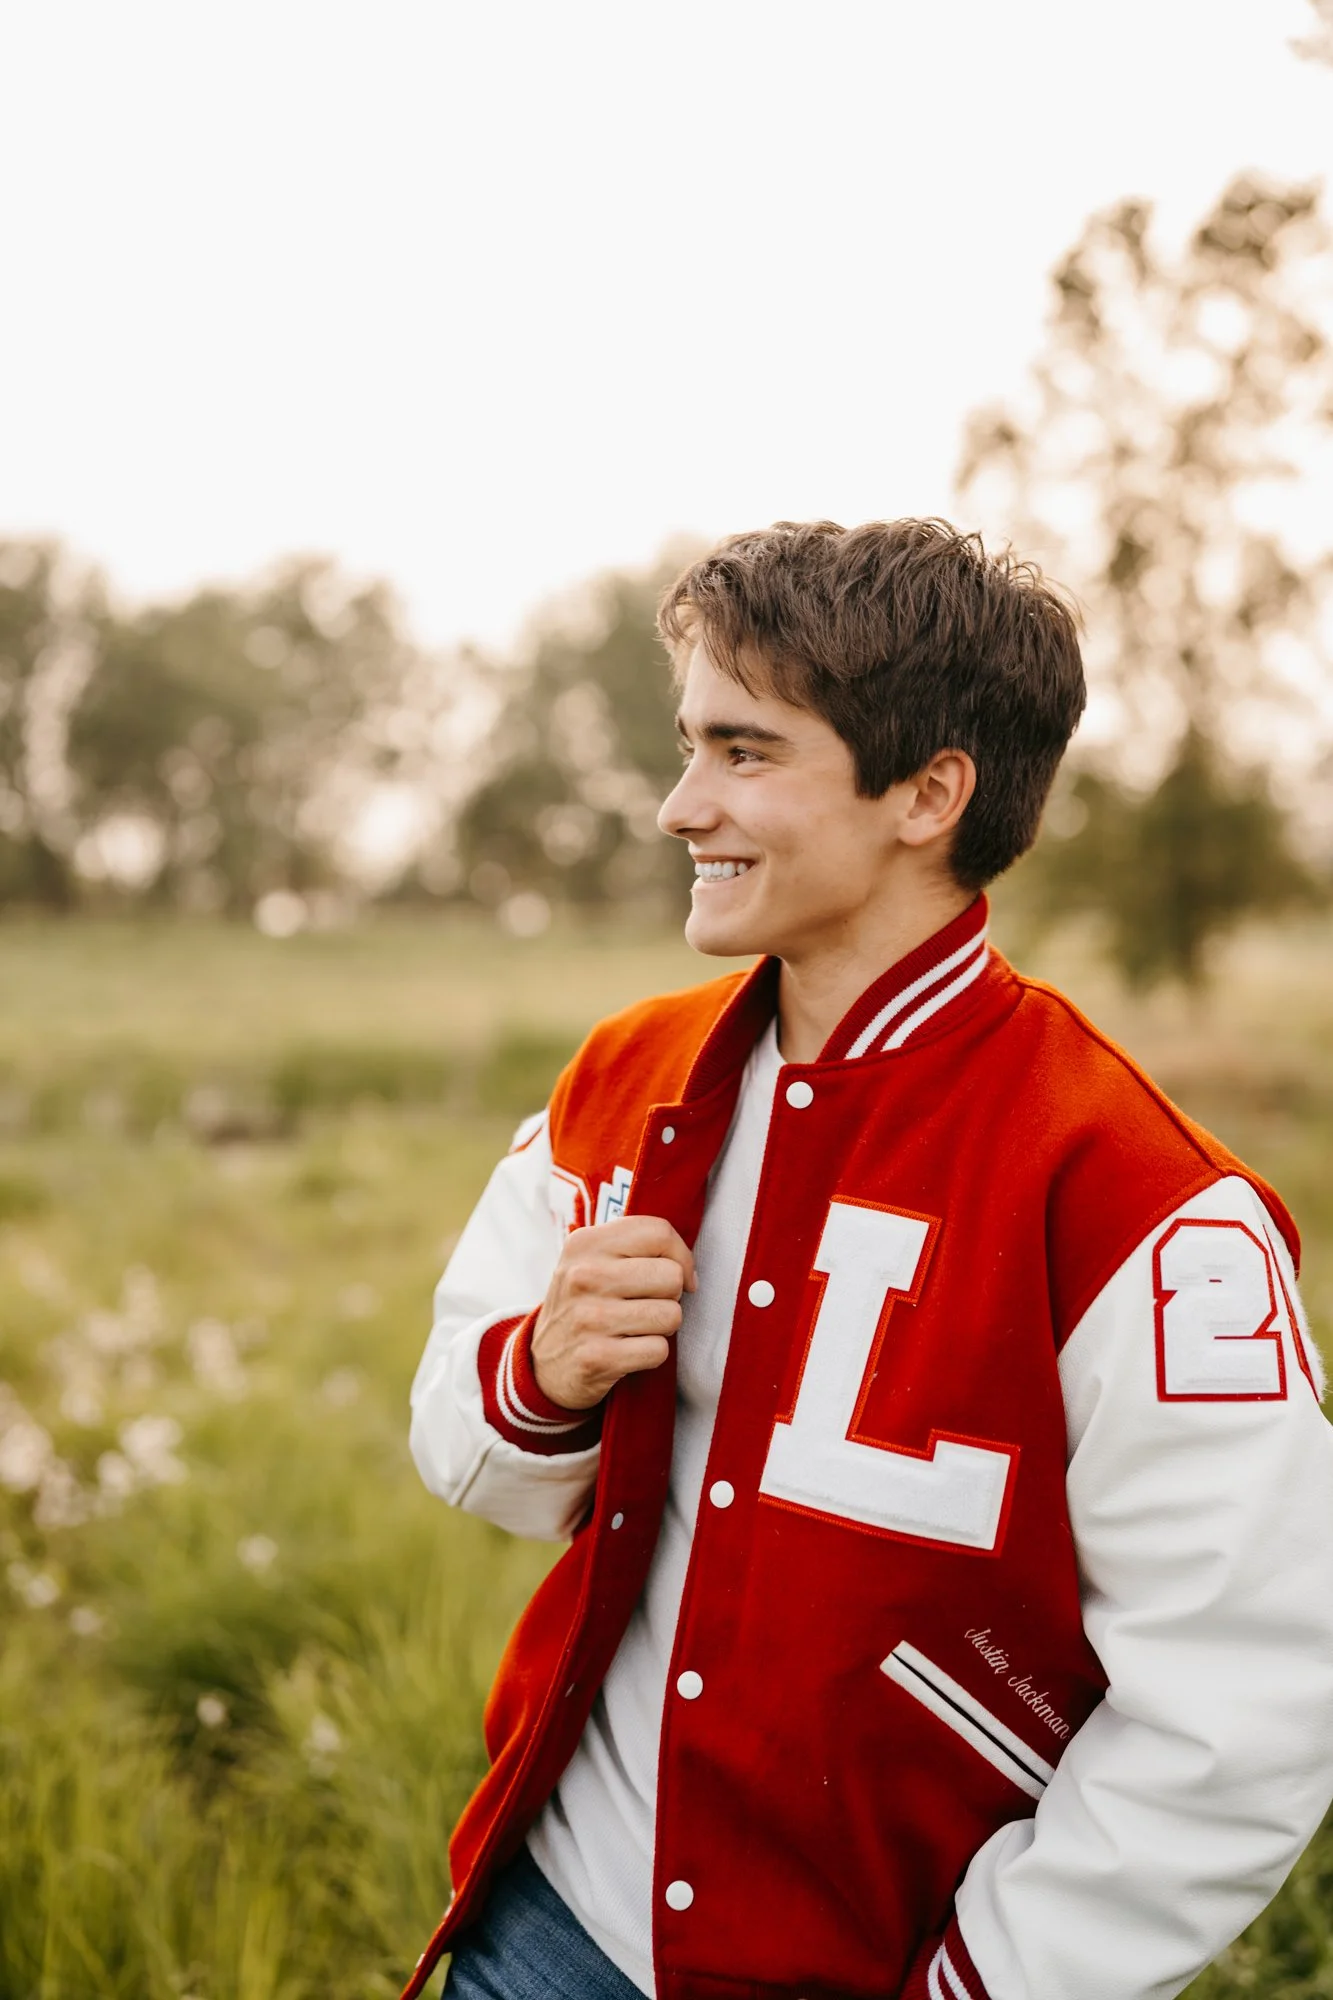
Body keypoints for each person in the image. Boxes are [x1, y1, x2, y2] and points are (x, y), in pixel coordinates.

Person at [403, 520, 1333, 2000]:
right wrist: (541, 1369)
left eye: (743, 752)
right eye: (689, 745)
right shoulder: (622, 1079)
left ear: (929, 794)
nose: (676, 805)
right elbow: (469, 1457)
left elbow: (1244, 1715)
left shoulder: (1147, 1205)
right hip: (544, 1928)